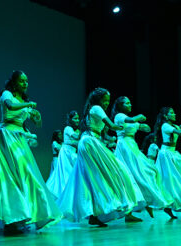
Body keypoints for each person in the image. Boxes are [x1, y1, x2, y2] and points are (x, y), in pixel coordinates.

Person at [0, 70, 61, 234]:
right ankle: (11, 219)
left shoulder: (24, 101)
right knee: (9, 176)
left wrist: (37, 117)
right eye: (22, 81)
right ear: (14, 83)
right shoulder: (7, 94)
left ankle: (23, 215)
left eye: (26, 81)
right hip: (7, 135)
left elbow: (37, 123)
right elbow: (10, 106)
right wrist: (28, 106)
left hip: (19, 139)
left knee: (26, 175)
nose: (25, 84)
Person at [58, 88, 144, 227]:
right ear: (98, 100)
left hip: (91, 141)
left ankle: (95, 214)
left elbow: (102, 132)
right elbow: (112, 126)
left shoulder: (94, 110)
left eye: (108, 101)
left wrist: (111, 139)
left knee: (93, 178)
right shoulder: (96, 108)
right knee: (114, 171)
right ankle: (112, 204)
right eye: (104, 100)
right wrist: (130, 123)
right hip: (90, 142)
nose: (107, 103)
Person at [111, 96, 176, 219]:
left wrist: (143, 126)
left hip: (132, 146)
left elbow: (144, 127)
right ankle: (130, 213)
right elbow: (131, 120)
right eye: (127, 103)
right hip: (125, 147)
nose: (130, 105)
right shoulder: (119, 116)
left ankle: (147, 201)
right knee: (130, 176)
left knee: (149, 170)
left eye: (130, 103)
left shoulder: (130, 120)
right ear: (120, 105)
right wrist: (139, 117)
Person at [46, 111, 80, 200]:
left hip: (72, 154)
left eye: (78, 118)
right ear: (70, 119)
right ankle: (65, 194)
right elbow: (76, 137)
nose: (77, 120)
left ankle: (72, 193)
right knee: (66, 174)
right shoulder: (68, 128)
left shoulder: (77, 130)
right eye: (75, 118)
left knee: (73, 173)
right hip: (67, 154)